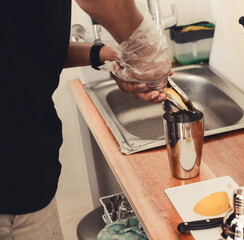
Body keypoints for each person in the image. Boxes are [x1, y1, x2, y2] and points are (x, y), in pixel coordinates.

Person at [0, 0, 171, 239]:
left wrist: (112, 58)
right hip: (13, 183)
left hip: (30, 171)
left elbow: (35, 50)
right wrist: (145, 48)